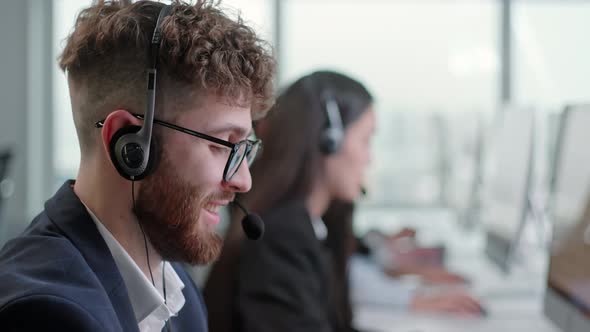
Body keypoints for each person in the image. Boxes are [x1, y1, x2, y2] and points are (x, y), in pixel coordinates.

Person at [0, 1, 275, 331]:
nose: (243, 180)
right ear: (130, 144)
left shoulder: (176, 289)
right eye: (220, 144)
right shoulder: (47, 314)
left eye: (245, 149)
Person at [203, 71, 483, 332]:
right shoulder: (281, 238)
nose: (369, 158)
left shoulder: (310, 226)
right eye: (365, 140)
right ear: (329, 142)